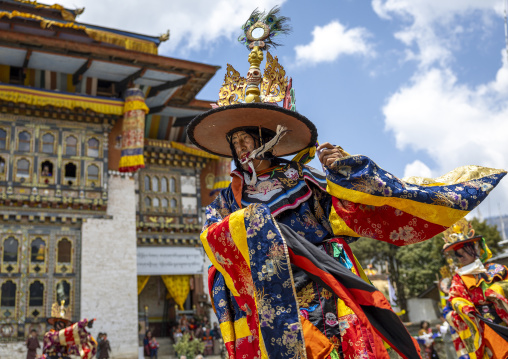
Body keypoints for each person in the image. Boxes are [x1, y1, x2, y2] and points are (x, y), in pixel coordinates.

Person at [186, 7, 506, 359]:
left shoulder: (303, 181)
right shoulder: (226, 201)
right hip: (272, 302)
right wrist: (249, 226)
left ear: (268, 138)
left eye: (247, 139)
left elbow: (350, 215)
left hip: (325, 285)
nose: (241, 148)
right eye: (235, 143)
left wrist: (346, 173)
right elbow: (213, 242)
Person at [442, 220, 508, 359]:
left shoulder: (496, 269)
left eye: (464, 251)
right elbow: (456, 297)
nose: (461, 257)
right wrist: (465, 307)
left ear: (475, 249)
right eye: (458, 254)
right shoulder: (459, 278)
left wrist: (496, 290)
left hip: (503, 319)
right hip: (481, 324)